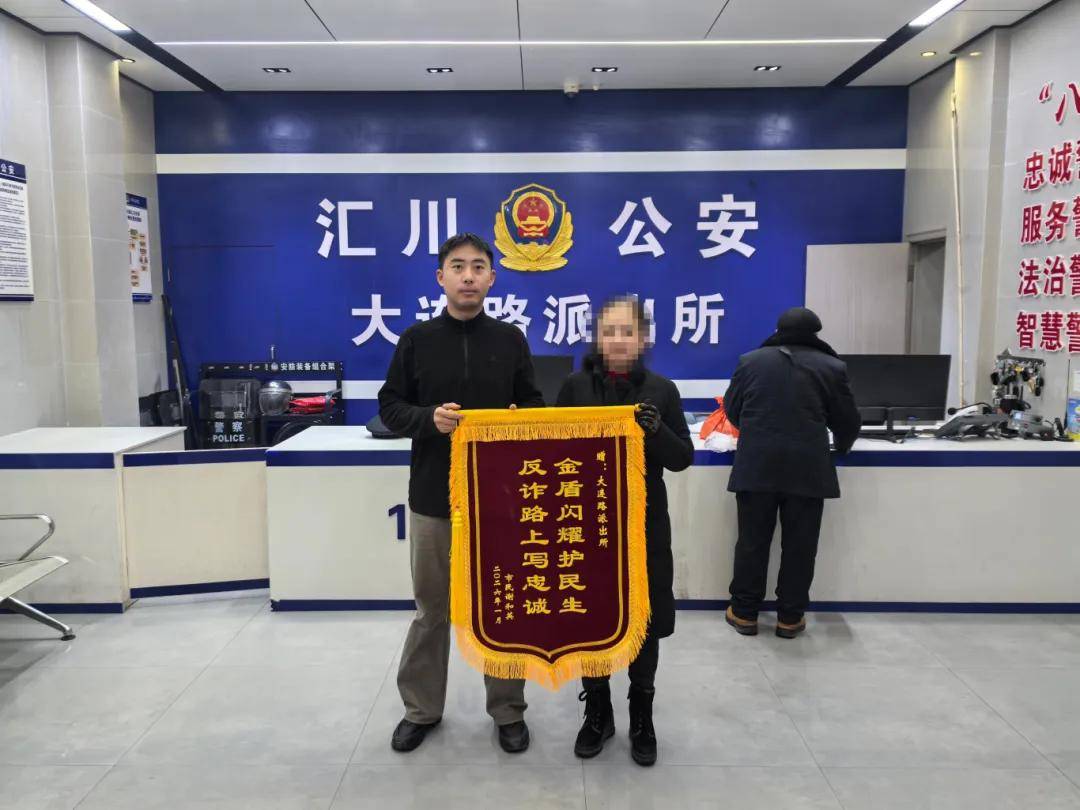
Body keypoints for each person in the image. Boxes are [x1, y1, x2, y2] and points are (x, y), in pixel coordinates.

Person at [378, 233, 545, 754]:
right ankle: (421, 709)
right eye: (457, 266)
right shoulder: (416, 340)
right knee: (432, 609)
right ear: (441, 278)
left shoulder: (511, 340)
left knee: (503, 605)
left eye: (477, 267)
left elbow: (534, 404)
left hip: (500, 498)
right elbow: (390, 407)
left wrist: (520, 418)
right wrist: (428, 419)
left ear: (492, 278)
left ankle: (508, 710)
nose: (468, 276)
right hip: (434, 498)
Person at [555, 296, 693, 767]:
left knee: (644, 617)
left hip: (644, 522)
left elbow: (683, 458)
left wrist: (657, 431)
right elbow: (553, 451)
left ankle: (641, 713)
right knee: (589, 615)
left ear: (643, 338)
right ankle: (598, 710)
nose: (617, 340)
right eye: (609, 331)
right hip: (586, 522)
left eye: (627, 331)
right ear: (597, 337)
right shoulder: (574, 386)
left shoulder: (662, 389)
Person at [722, 307, 861, 639]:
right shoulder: (832, 367)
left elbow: (733, 409)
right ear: (816, 334)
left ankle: (744, 612)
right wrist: (841, 447)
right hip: (807, 469)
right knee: (800, 545)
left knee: (752, 542)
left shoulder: (750, 362)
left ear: (777, 330)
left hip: (757, 465)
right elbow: (847, 420)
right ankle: (790, 617)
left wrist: (757, 432)